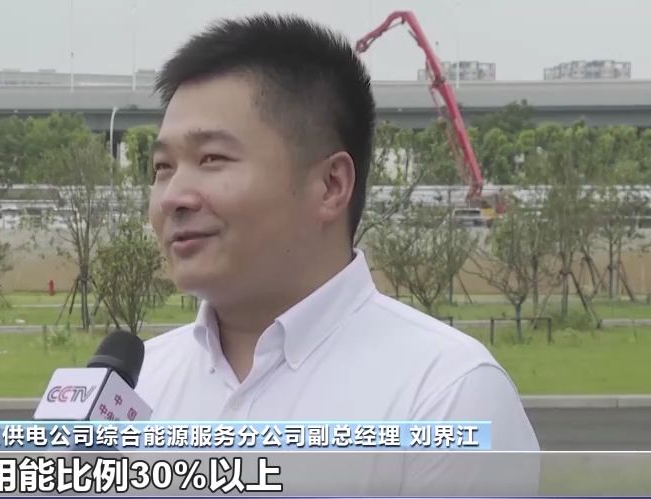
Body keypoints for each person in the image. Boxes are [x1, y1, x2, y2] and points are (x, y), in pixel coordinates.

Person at [136, 13, 540, 496]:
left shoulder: (446, 396)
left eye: (212, 159)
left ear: (330, 185)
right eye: (162, 167)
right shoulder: (133, 389)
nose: (173, 197)